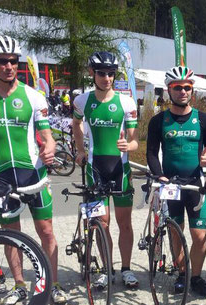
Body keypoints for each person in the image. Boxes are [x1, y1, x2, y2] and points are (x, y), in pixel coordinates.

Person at [0, 35, 66, 305]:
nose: (9, 66)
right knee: (11, 235)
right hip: (0, 175)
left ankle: (52, 283)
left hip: (34, 174)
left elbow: (46, 133)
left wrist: (50, 146)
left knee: (47, 231)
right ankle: (19, 284)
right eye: (3, 61)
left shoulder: (33, 96)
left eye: (13, 61)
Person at [147, 65, 206, 297]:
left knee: (200, 236)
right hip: (171, 186)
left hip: (195, 184)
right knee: (176, 233)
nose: (183, 91)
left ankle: (196, 277)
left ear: (192, 91)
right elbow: (151, 153)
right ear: (169, 90)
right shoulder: (159, 121)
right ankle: (181, 273)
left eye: (187, 87)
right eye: (178, 87)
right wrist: (160, 176)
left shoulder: (204, 120)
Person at [73, 51, 140, 289]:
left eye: (111, 74)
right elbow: (76, 123)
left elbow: (135, 141)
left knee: (125, 223)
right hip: (95, 169)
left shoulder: (126, 102)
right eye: (101, 73)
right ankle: (105, 268)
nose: (107, 78)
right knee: (101, 223)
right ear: (92, 73)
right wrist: (80, 149)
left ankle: (126, 269)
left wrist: (127, 145)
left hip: (120, 170)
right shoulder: (82, 101)